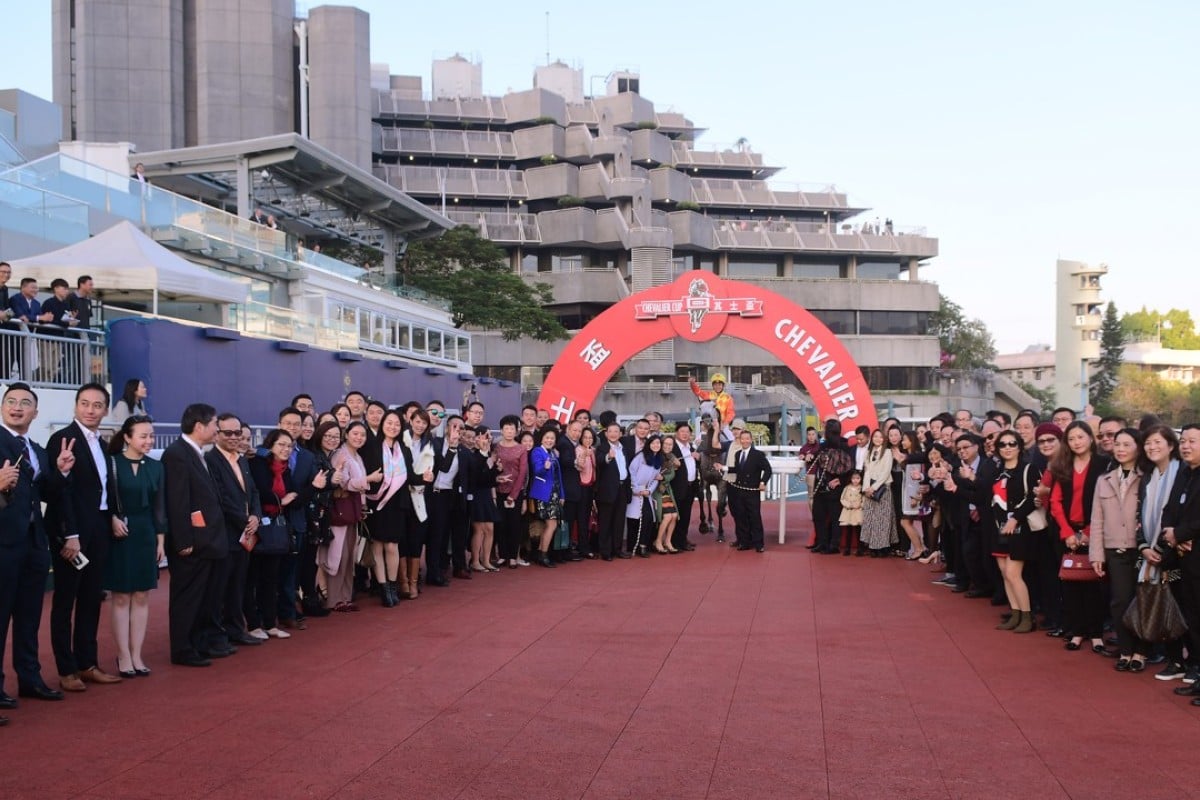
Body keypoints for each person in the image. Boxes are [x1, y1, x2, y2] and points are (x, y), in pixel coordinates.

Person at [45, 383, 122, 692]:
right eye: (85, 404)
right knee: (65, 601)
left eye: (97, 405)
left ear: (105, 409)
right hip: (73, 535)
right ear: (76, 406)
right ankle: (66, 670)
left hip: (100, 530)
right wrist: (70, 535)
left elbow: (103, 488)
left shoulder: (102, 444)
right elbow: (60, 493)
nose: (91, 410)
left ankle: (87, 664)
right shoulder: (62, 440)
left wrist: (113, 515)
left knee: (92, 599)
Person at [0, 383, 71, 711]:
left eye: (25, 403)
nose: (17, 407)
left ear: (35, 412)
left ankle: (30, 678)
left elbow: (47, 495)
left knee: (29, 618)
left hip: (33, 545)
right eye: (11, 401)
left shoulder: (38, 450)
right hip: (3, 544)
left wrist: (61, 472)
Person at [162, 403, 225, 667]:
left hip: (207, 541)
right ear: (199, 426)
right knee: (187, 598)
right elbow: (177, 501)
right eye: (214, 424)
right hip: (192, 544)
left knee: (203, 597)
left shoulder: (197, 452)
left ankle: (198, 643)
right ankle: (183, 649)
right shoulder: (177, 454)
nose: (217, 429)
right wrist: (184, 540)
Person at [104, 415, 167, 676]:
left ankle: (137, 655)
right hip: (119, 532)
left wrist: (161, 539)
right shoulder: (111, 463)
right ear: (127, 437)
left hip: (146, 533)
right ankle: (123, 656)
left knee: (142, 595)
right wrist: (112, 519)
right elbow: (102, 498)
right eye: (143, 435)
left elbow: (160, 506)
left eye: (151, 435)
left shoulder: (156, 467)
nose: (149, 440)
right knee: (120, 596)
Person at [1089, 428, 1146, 669]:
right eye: (1117, 444)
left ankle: (1141, 653)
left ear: (1138, 447)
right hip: (1115, 548)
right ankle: (1125, 650)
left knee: (1143, 600)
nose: (1121, 449)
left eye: (1127, 444)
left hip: (1143, 548)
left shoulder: (1148, 477)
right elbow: (1097, 519)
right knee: (1120, 601)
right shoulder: (1105, 479)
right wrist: (1096, 555)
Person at [1134, 426, 1187, 682]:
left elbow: (1181, 514)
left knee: (1181, 606)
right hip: (1151, 550)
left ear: (1171, 445)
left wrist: (1164, 548)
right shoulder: (1148, 476)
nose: (1152, 447)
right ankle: (1174, 658)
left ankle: (1186, 661)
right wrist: (1144, 547)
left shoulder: (1183, 473)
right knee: (1164, 604)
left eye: (1157, 442)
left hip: (1176, 550)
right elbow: (1140, 514)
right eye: (1148, 443)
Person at [1049, 421, 1108, 653]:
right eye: (1071, 439)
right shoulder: (1062, 465)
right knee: (1071, 583)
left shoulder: (1104, 464)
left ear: (1091, 438)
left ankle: (1096, 634)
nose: (1076, 442)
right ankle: (1076, 631)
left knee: (1095, 585)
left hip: (1095, 531)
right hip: (1067, 532)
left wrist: (1087, 533)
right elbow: (1055, 502)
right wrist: (1067, 532)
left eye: (1080, 437)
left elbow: (1106, 502)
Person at [204, 413, 262, 648]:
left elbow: (253, 492)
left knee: (238, 584)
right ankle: (217, 635)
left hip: (245, 534)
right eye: (227, 433)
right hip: (226, 533)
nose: (233, 437)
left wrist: (256, 516)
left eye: (237, 433)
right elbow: (220, 497)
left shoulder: (242, 459)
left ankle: (236, 629)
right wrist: (243, 520)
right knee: (220, 587)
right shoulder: (211, 460)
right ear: (216, 433)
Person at [1158, 424, 1200, 706]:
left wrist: (1183, 534)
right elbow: (1170, 508)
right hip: (1183, 556)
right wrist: (1171, 534)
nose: (1185, 446)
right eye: (1183, 440)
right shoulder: (1185, 472)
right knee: (1192, 617)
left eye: (1192, 441)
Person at [246, 430, 300, 640]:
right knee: (253, 579)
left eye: (289, 446)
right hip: (257, 526)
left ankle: (270, 623)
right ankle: (253, 624)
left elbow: (294, 491)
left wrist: (286, 498)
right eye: (281, 445)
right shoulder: (259, 463)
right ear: (271, 445)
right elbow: (261, 490)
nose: (285, 449)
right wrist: (281, 500)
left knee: (271, 578)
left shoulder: (285, 469)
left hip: (276, 529)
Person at [323, 422, 376, 610]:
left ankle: (345, 597)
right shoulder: (341, 454)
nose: (359, 437)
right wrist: (368, 480)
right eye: (355, 433)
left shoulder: (357, 456)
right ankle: (334, 599)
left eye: (362, 434)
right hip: (340, 511)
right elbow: (344, 483)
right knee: (338, 555)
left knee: (348, 556)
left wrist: (363, 506)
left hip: (353, 511)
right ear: (346, 435)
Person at [990, 432, 1039, 633]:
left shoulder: (1029, 469)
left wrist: (1015, 517)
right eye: (1003, 444)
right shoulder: (998, 471)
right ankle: (1015, 613)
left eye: (1012, 443)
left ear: (1019, 446)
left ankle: (1027, 616)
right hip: (999, 527)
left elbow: (1032, 498)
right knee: (1005, 573)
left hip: (1020, 527)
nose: (1007, 447)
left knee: (1013, 572)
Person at [366, 412, 409, 606]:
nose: (393, 426)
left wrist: (425, 477)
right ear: (383, 424)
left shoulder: (404, 450)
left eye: (397, 424)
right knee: (377, 545)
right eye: (389, 423)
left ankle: (393, 585)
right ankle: (383, 588)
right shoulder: (371, 446)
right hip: (376, 502)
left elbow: (411, 477)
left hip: (397, 503)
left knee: (392, 546)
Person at [809, 419, 853, 554]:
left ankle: (833, 544)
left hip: (835, 487)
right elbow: (817, 458)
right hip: (821, 485)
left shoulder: (844, 445)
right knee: (819, 515)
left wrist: (840, 480)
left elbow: (849, 467)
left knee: (834, 517)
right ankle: (822, 542)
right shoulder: (823, 445)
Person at [726, 429, 772, 552]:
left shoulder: (758, 455)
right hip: (739, 490)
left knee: (755, 517)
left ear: (751, 440)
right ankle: (744, 542)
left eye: (747, 438)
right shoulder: (737, 454)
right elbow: (736, 469)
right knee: (741, 517)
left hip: (752, 491)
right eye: (743, 439)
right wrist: (723, 468)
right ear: (740, 440)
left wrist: (763, 482)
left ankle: (759, 544)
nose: (745, 441)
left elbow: (768, 469)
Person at [594, 421, 632, 560]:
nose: (613, 434)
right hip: (607, 490)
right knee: (605, 521)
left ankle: (617, 549)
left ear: (620, 433)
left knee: (619, 521)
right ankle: (605, 551)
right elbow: (599, 461)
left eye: (616, 431)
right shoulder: (602, 448)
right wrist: (608, 457)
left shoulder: (624, 448)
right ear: (606, 433)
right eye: (610, 431)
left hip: (622, 488)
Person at [494, 415, 528, 568]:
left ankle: (513, 557)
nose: (509, 431)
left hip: (515, 492)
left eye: (511, 429)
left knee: (514, 524)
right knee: (500, 524)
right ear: (501, 430)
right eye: (506, 428)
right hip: (498, 491)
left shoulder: (521, 448)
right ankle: (502, 555)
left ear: (516, 430)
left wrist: (513, 495)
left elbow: (522, 473)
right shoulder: (495, 446)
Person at [465, 425, 500, 572]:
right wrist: (484, 454)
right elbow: (476, 477)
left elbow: (490, 480)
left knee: (490, 529)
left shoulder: (490, 455)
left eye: (489, 436)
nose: (488, 439)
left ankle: (486, 560)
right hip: (476, 494)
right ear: (477, 438)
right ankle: (474, 560)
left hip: (486, 494)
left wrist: (497, 472)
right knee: (478, 529)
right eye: (485, 436)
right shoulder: (473, 455)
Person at [528, 427, 564, 567]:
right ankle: (543, 555)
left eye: (552, 438)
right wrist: (545, 467)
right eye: (547, 437)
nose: (549, 440)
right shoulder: (537, 451)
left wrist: (562, 494)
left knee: (548, 525)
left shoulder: (553, 453)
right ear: (542, 438)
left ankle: (540, 553)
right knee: (551, 524)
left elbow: (558, 477)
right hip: (544, 493)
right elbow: (537, 470)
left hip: (554, 493)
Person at [626, 434, 663, 558]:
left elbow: (656, 478)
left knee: (647, 519)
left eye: (658, 443)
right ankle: (632, 547)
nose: (656, 445)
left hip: (646, 492)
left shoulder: (658, 459)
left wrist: (649, 490)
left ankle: (643, 545)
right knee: (634, 520)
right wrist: (635, 489)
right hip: (635, 491)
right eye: (653, 443)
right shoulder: (641, 457)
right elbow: (632, 472)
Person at [860, 429, 896, 557]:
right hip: (869, 490)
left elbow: (886, 472)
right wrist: (866, 489)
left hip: (883, 489)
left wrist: (874, 487)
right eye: (876, 436)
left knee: (882, 520)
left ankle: (882, 547)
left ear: (884, 439)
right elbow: (867, 472)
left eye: (881, 437)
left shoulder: (887, 452)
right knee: (871, 519)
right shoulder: (868, 452)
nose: (878, 439)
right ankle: (872, 547)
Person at [670, 423, 699, 552]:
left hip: (690, 486)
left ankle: (682, 540)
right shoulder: (672, 447)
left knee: (686, 515)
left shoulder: (690, 447)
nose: (685, 434)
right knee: (677, 515)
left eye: (687, 432)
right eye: (682, 431)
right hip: (677, 486)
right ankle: (675, 542)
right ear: (676, 433)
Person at [653, 435, 681, 554]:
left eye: (670, 444)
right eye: (665, 444)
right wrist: (662, 478)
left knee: (674, 515)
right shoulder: (655, 456)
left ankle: (668, 541)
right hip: (656, 489)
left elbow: (672, 475)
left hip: (666, 489)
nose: (668, 446)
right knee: (667, 516)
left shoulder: (671, 457)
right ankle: (658, 541)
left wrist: (663, 477)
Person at [575, 426, 598, 558]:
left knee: (588, 518)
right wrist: (584, 455)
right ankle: (583, 547)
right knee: (582, 519)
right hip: (581, 487)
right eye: (585, 437)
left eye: (590, 437)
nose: (588, 439)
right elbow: (579, 466)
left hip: (591, 487)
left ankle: (586, 545)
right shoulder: (578, 449)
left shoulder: (593, 450)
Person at [689, 373, 735, 439]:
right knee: (697, 442)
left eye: (719, 385)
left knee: (731, 439)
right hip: (708, 425)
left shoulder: (728, 398)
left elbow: (731, 413)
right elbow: (698, 391)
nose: (717, 387)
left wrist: (724, 424)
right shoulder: (707, 395)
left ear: (723, 386)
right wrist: (692, 383)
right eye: (715, 385)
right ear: (713, 386)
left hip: (722, 425)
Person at [838, 471, 864, 557]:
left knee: (858, 531)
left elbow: (864, 500)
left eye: (858, 478)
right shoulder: (847, 488)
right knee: (848, 531)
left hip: (858, 512)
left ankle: (860, 549)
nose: (855, 480)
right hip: (848, 511)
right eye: (853, 478)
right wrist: (848, 505)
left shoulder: (862, 489)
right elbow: (842, 498)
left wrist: (858, 505)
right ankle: (847, 548)